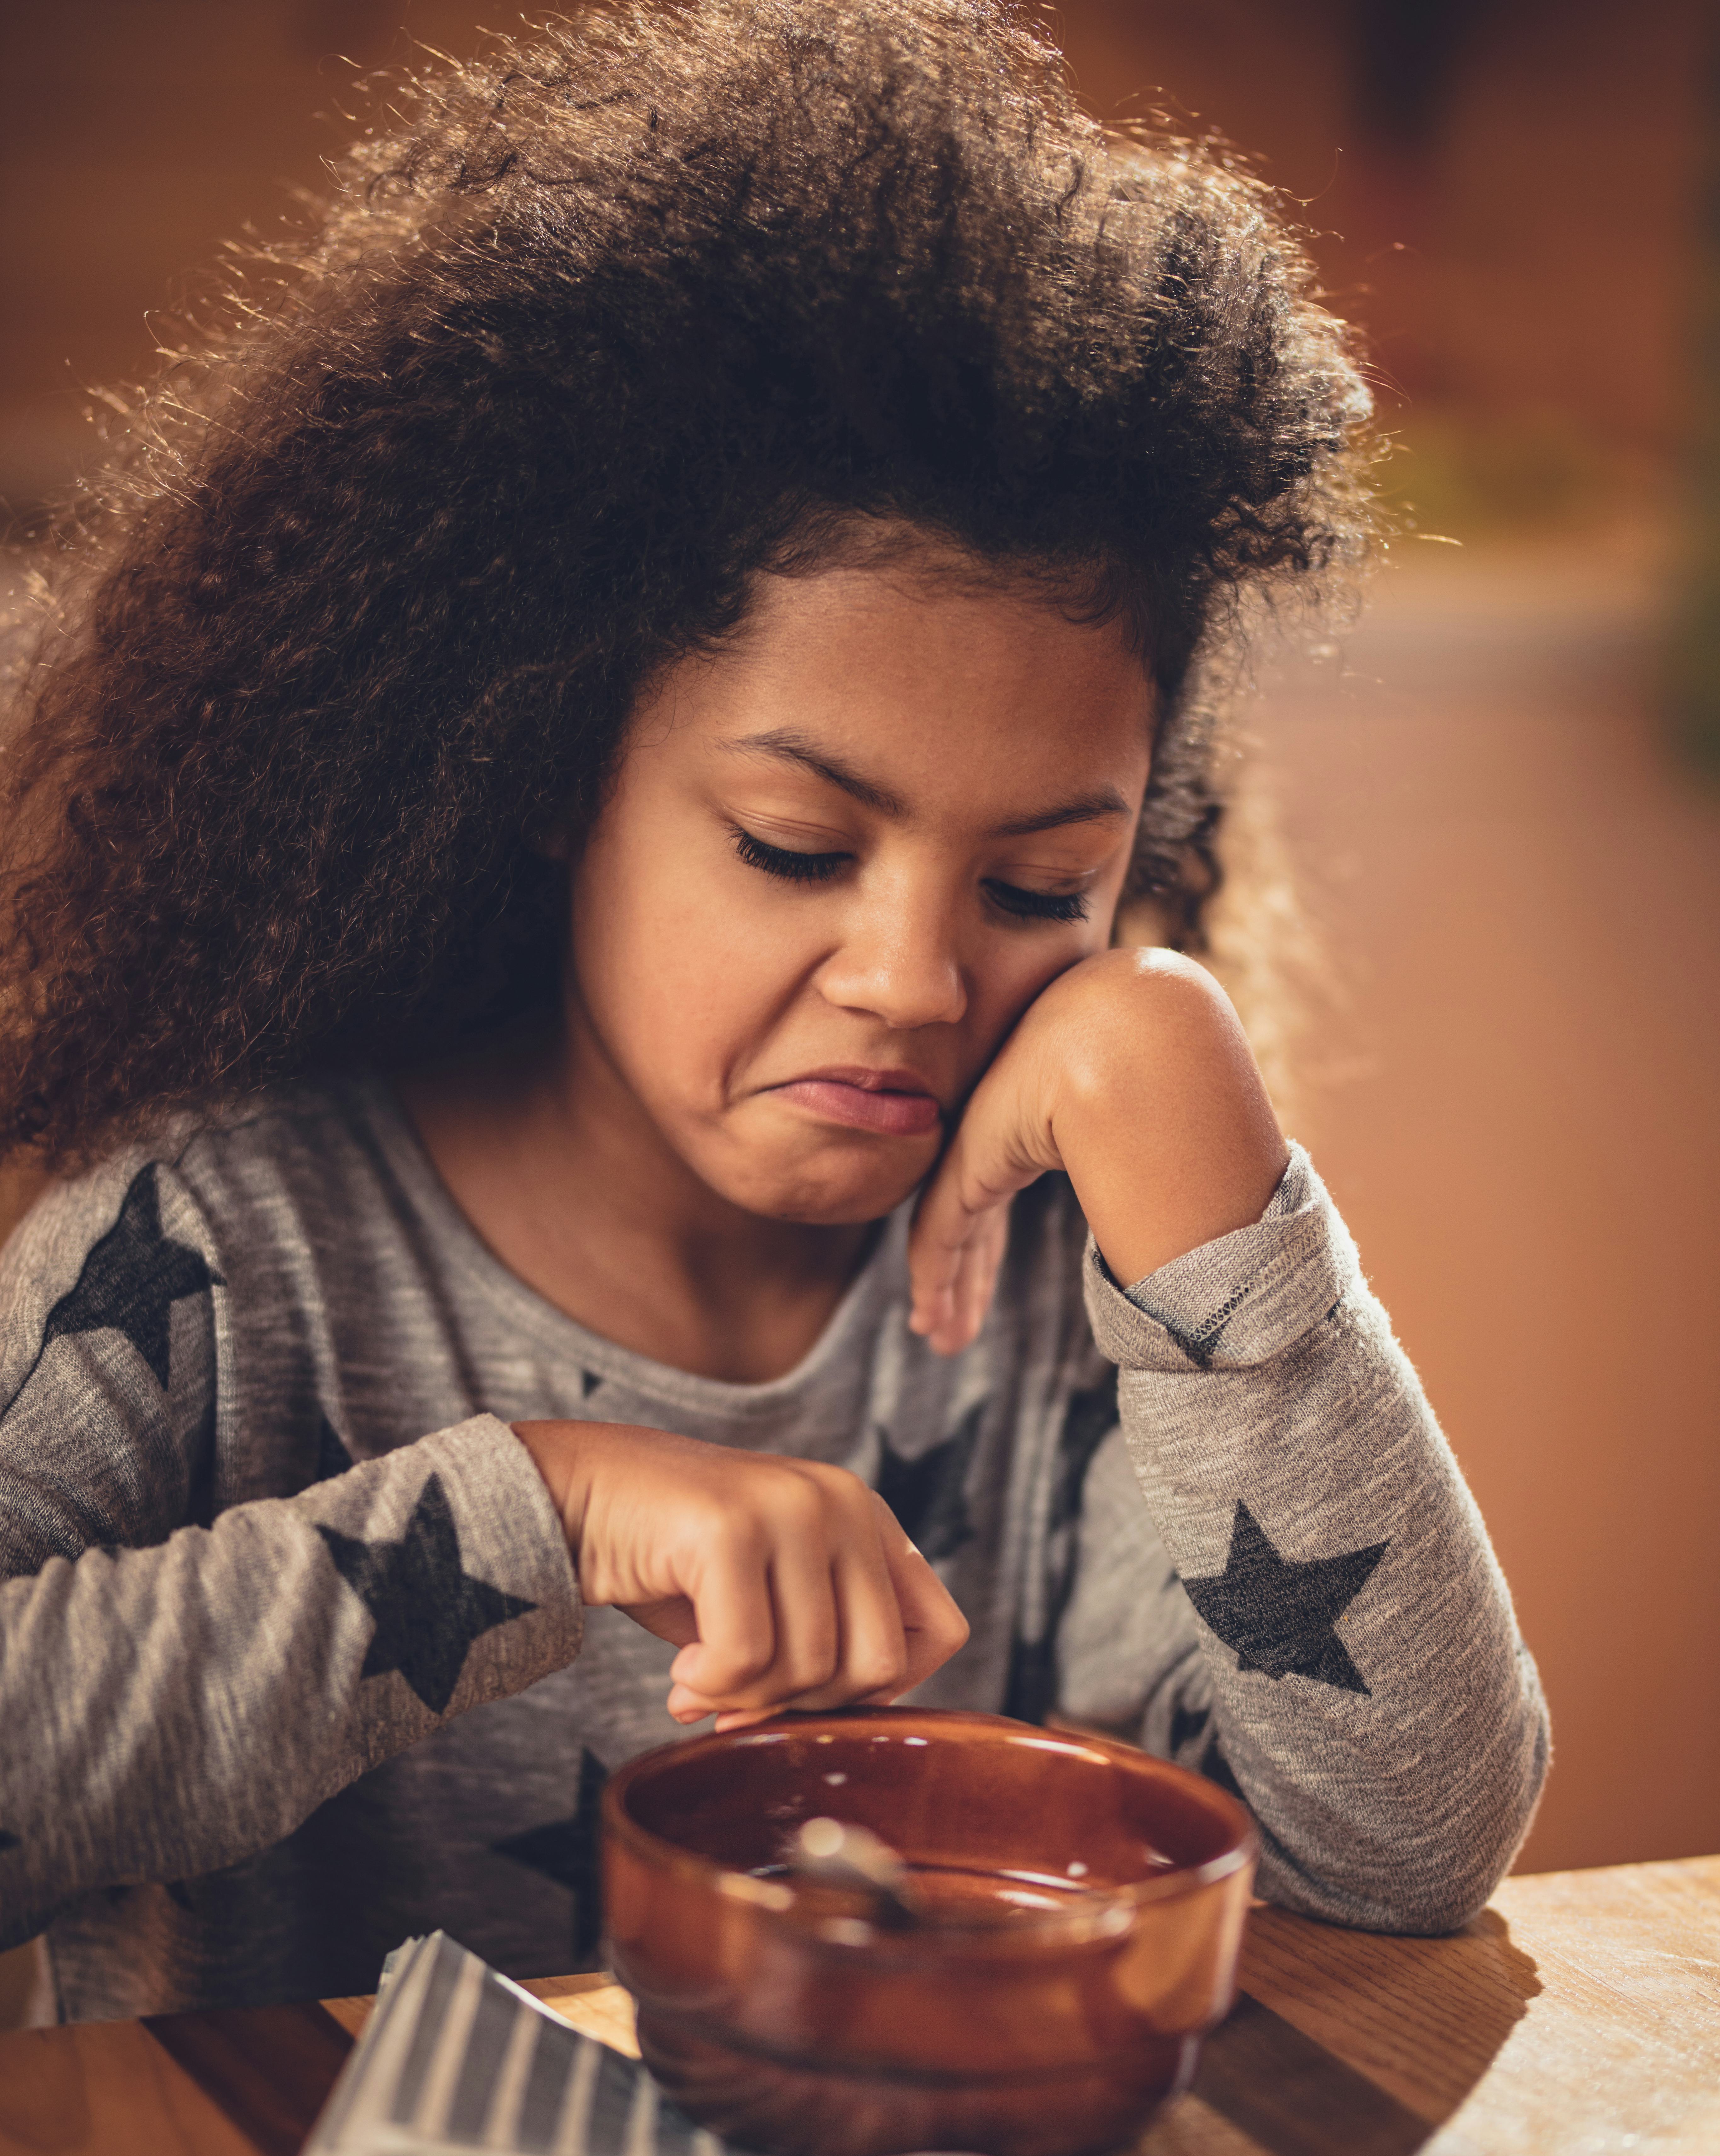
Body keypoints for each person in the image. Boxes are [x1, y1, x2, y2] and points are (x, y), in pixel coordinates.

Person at [0, 0, 1546, 2022]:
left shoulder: (1094, 1289)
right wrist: (534, 1511)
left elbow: (1409, 1849)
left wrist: (1189, 1110)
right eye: (797, 849)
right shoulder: (217, 1247)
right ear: (553, 775)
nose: (913, 982)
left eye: (1031, 889)